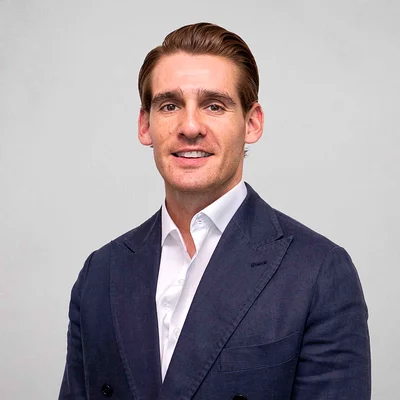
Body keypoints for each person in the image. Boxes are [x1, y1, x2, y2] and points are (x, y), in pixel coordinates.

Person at [59, 22, 371, 399]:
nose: (190, 127)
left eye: (214, 106)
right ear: (145, 125)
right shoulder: (101, 273)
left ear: (252, 123)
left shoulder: (318, 272)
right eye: (170, 105)